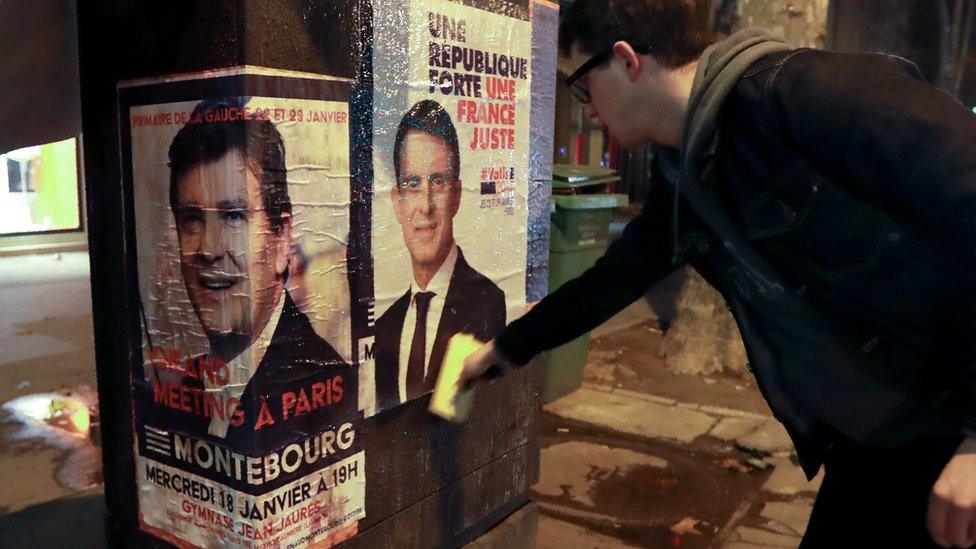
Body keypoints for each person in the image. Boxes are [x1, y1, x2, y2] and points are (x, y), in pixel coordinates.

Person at [460, 1, 976, 547]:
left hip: (947, 431)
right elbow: (613, 279)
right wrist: (506, 349)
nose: (586, 110)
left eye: (581, 87)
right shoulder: (685, 177)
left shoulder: (806, 93)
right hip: (869, 446)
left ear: (628, 61)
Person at [142, 98, 356, 456]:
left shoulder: (327, 385)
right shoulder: (183, 388)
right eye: (192, 219)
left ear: (281, 239)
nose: (209, 248)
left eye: (234, 217)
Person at [374, 99, 506, 410]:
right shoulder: (384, 326)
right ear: (397, 201)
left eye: (438, 181)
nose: (426, 205)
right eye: (412, 184)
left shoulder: (487, 302)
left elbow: (459, 413)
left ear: (456, 196)